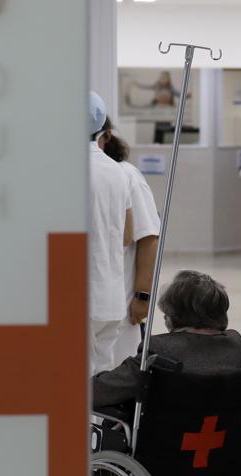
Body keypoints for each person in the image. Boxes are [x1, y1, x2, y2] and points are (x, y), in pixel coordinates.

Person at [93, 270, 241, 408]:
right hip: (222, 436)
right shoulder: (235, 344)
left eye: (167, 312)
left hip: (165, 437)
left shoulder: (160, 351)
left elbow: (98, 392)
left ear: (174, 315)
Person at [88, 93, 156, 374]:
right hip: (110, 299)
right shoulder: (115, 173)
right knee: (101, 383)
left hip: (89, 298)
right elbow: (127, 235)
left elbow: (147, 237)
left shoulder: (62, 169)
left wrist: (142, 296)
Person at [98, 118, 161, 361]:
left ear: (107, 137)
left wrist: (142, 296)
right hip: (88, 302)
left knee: (116, 375)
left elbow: (148, 238)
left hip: (121, 302)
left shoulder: (126, 175)